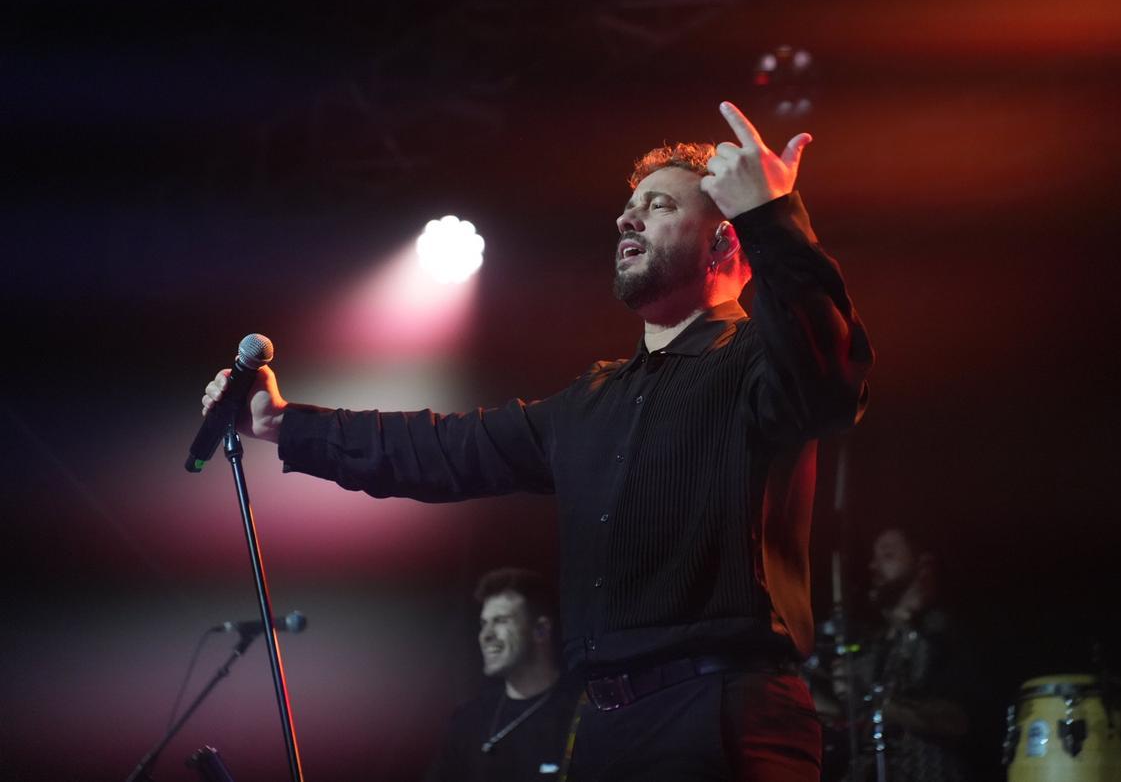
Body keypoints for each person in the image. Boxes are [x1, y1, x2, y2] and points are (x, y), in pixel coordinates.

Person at [202, 101, 873, 781]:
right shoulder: (591, 403)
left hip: (723, 716)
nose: (625, 218)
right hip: (606, 729)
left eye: (660, 205)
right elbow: (443, 450)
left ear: (725, 242)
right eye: (628, 205)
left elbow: (828, 376)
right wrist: (288, 425)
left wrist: (772, 216)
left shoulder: (757, 360)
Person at [828, 526, 973, 782]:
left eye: (888, 555)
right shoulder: (877, 639)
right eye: (874, 557)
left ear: (923, 563)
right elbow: (849, 722)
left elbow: (960, 719)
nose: (873, 566)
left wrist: (877, 704)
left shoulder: (941, 631)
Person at [425, 567, 579, 782]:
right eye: (484, 624)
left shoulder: (581, 716)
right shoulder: (468, 721)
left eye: (501, 621)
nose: (486, 635)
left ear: (541, 630)